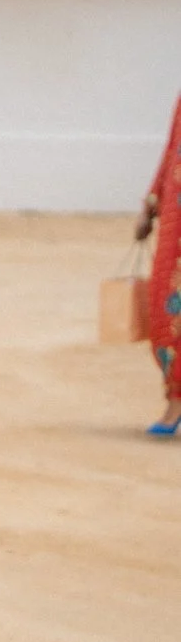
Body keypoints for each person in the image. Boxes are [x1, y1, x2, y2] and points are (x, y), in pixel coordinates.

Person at [136, 91, 181, 437]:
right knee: (166, 312)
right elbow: (171, 151)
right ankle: (175, 398)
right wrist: (150, 205)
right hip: (175, 222)